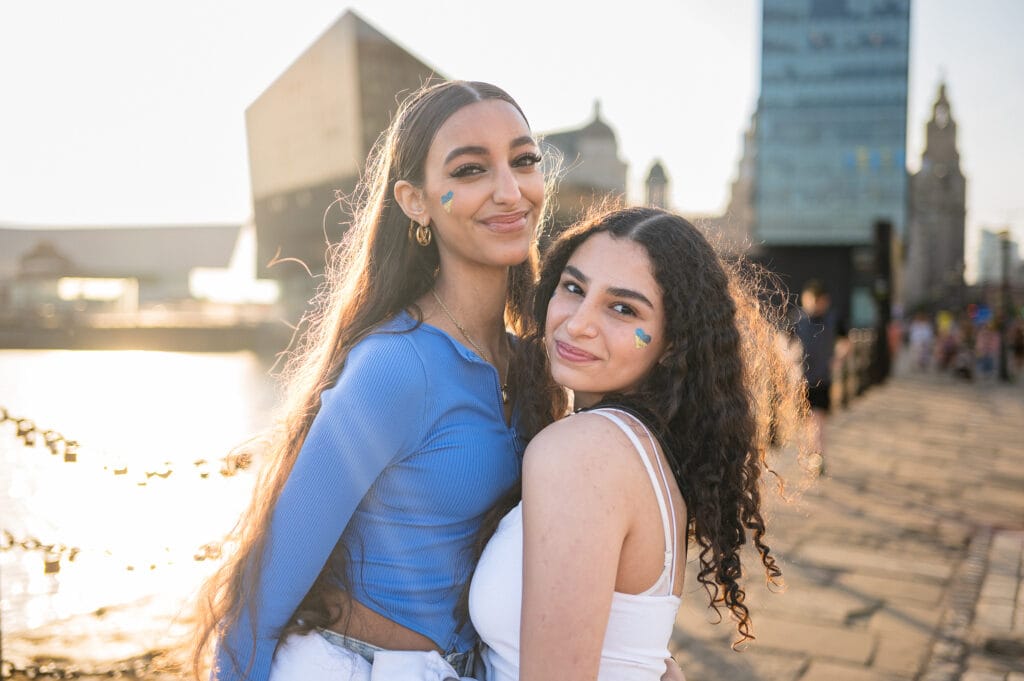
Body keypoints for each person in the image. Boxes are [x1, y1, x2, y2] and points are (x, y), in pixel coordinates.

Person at [189, 80, 549, 680]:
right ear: (415, 201)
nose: (510, 192)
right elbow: (266, 585)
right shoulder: (396, 367)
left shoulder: (536, 364)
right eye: (470, 170)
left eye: (524, 160)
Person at [468, 206, 810, 680]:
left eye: (623, 308)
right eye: (573, 288)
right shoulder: (639, 449)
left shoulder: (583, 452)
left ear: (671, 342)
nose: (580, 322)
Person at [793, 279, 847, 471]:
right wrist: (790, 361)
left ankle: (817, 454)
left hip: (823, 377)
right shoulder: (797, 319)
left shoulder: (833, 319)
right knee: (808, 419)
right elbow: (782, 341)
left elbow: (845, 341)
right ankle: (813, 452)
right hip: (801, 378)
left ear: (825, 300)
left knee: (818, 417)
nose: (814, 305)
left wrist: (838, 359)